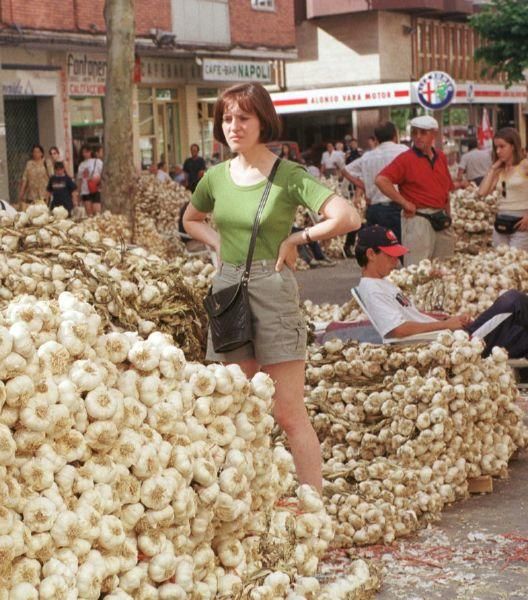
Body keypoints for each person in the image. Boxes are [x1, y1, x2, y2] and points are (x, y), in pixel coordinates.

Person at [183, 82, 361, 492]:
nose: (234, 126)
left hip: (272, 287)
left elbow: (346, 216)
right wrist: (219, 248)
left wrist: (298, 239)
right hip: (227, 290)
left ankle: (312, 509)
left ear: (263, 121)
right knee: (235, 406)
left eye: (243, 118)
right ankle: (247, 499)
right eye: (227, 118)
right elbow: (191, 220)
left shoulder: (287, 175)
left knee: (287, 412)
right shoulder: (214, 177)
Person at [355, 225, 528, 358]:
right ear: (371, 254)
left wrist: (445, 318)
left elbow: (410, 316)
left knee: (521, 334)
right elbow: (397, 330)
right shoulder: (372, 289)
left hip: (444, 335)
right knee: (512, 301)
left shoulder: (383, 284)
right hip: (447, 344)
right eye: (390, 255)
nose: (395, 261)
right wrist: (445, 325)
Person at [375, 115, 456, 267]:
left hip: (440, 218)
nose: (417, 137)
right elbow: (381, 180)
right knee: (418, 268)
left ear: (434, 134)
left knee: (444, 267)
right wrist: (404, 203)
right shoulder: (406, 159)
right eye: (414, 132)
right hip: (419, 218)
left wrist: (448, 215)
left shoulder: (441, 157)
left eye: (423, 133)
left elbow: (446, 191)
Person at [342, 121, 409, 247]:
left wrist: (365, 187)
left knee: (377, 250)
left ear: (377, 139)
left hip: (374, 210)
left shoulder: (368, 156)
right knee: (400, 249)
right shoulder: (404, 151)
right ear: (395, 136)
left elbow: (345, 171)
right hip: (396, 208)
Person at [478, 128, 528, 250]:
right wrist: (493, 169)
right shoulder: (499, 170)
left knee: (516, 262)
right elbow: (482, 192)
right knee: (499, 260)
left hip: (521, 220)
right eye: (496, 147)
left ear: (513, 146)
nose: (498, 151)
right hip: (501, 220)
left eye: (502, 146)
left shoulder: (524, 165)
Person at [18, 144, 52, 208]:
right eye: (34, 152)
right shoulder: (29, 164)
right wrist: (21, 192)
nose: (36, 153)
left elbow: (52, 178)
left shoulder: (47, 163)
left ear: (42, 153)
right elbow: (25, 178)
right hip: (32, 195)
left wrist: (51, 192)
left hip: (44, 194)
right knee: (32, 213)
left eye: (38, 152)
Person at [76, 145, 103, 217]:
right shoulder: (81, 165)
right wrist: (78, 194)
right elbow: (80, 180)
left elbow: (103, 174)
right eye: (83, 152)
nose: (85, 154)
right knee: (89, 214)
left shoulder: (98, 162)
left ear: (90, 152)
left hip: (96, 189)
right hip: (85, 191)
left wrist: (98, 179)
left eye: (87, 152)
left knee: (97, 213)